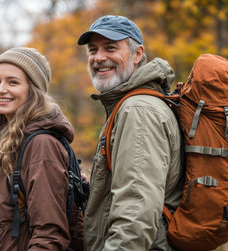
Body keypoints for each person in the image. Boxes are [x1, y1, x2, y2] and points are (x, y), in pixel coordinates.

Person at [77, 15, 183, 250]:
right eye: (93, 50)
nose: (99, 57)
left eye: (110, 47)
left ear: (137, 54)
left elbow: (135, 214)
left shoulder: (138, 110)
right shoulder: (127, 105)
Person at [0, 47, 74, 250]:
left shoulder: (42, 146)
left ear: (33, 91)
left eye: (13, 82)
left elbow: (49, 237)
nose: (1, 89)